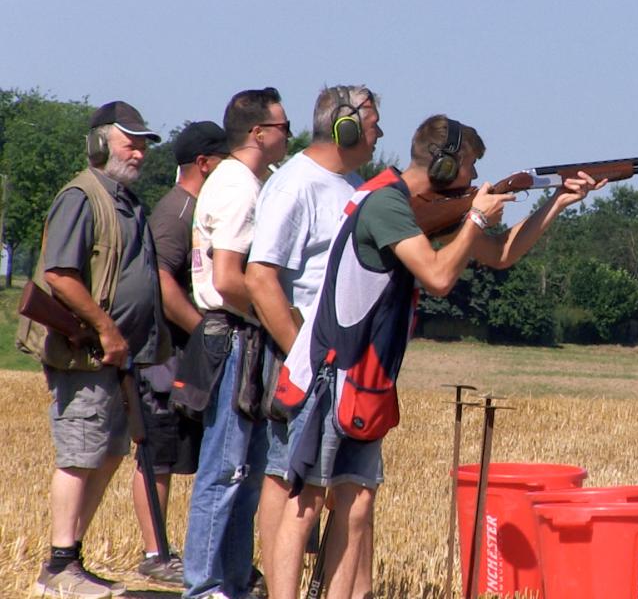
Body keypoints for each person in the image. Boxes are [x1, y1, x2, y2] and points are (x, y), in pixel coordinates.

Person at [273, 115, 605, 599]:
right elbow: (438, 278)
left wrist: (556, 202)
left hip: (365, 380)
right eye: (469, 167)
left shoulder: (409, 210)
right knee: (305, 503)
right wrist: (474, 217)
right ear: (444, 164)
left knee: (358, 503)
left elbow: (501, 255)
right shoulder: (386, 203)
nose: (472, 180)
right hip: (332, 371)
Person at [17, 101, 168, 598]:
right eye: (131, 142)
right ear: (100, 144)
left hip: (117, 357)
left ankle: (71, 558)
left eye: (144, 144)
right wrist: (106, 329)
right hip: (86, 353)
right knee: (81, 453)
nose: (141, 152)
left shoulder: (127, 200)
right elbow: (60, 275)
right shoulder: (82, 196)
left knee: (105, 454)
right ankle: (59, 566)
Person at [245, 85, 381, 598]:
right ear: (344, 125)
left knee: (345, 491)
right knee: (292, 487)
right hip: (310, 365)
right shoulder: (296, 184)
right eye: (373, 123)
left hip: (346, 368)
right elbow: (260, 277)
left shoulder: (354, 184)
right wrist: (304, 357)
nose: (379, 133)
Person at [180, 88, 289, 599]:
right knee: (224, 471)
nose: (289, 136)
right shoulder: (240, 187)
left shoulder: (237, 180)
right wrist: (282, 315)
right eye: (283, 127)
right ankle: (203, 588)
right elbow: (227, 277)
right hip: (237, 336)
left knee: (241, 476)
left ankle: (233, 581)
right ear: (258, 133)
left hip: (237, 335)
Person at [131, 121, 228, 585]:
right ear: (205, 163)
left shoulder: (200, 206)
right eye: (224, 159)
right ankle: (156, 555)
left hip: (183, 352)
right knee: (159, 456)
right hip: (163, 356)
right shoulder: (177, 212)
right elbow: (163, 281)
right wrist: (206, 333)